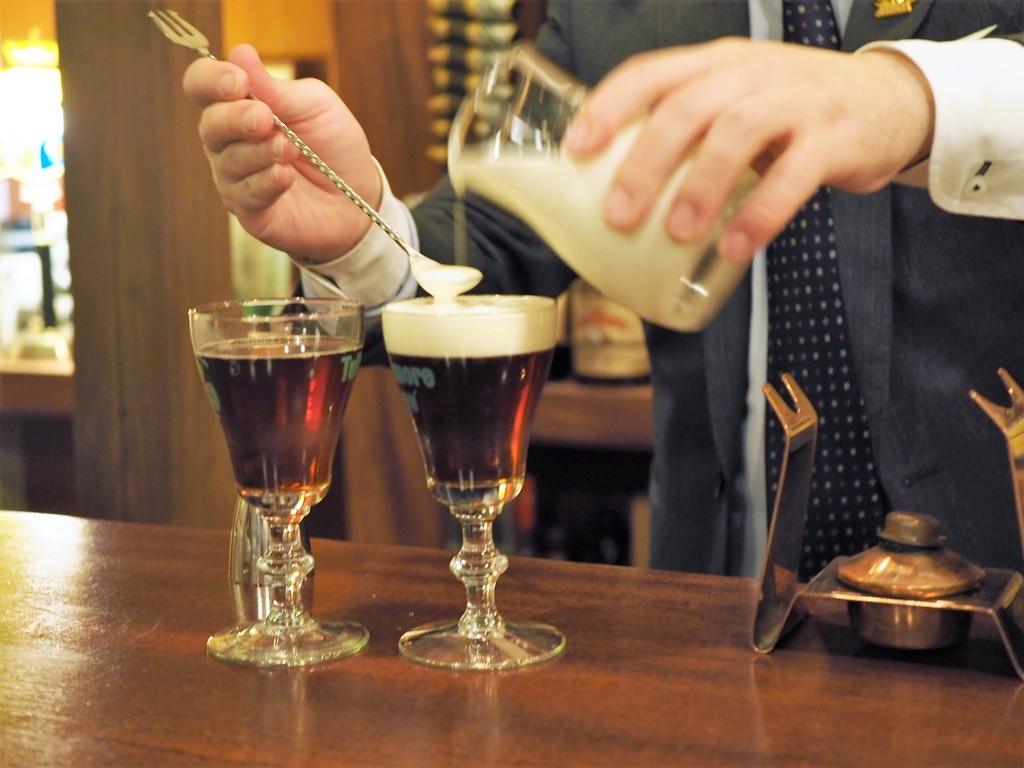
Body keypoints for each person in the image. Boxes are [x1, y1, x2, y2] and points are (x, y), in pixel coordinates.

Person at [184, 1, 1024, 578]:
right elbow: (497, 232)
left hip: (997, 598)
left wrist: (916, 96)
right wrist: (358, 227)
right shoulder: (609, 12)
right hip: (719, 615)